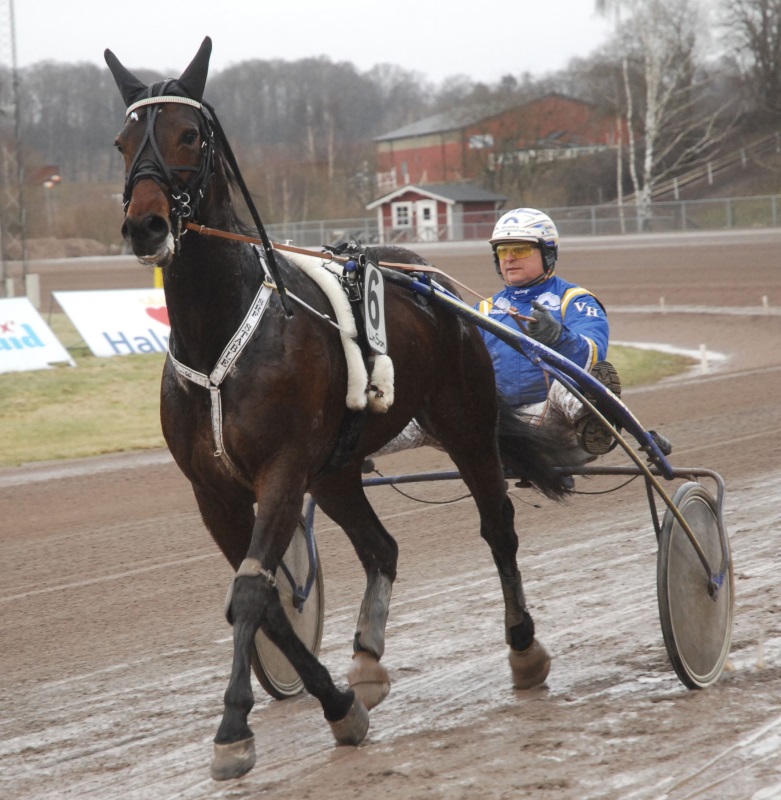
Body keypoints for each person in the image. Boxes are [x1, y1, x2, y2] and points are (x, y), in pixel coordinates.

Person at [476, 207, 621, 462]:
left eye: (520, 249)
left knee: (565, 385)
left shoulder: (574, 300)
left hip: (551, 417)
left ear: (547, 253)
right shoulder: (483, 310)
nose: (509, 258)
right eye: (502, 250)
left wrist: (558, 337)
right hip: (498, 421)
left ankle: (595, 422)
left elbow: (593, 355)